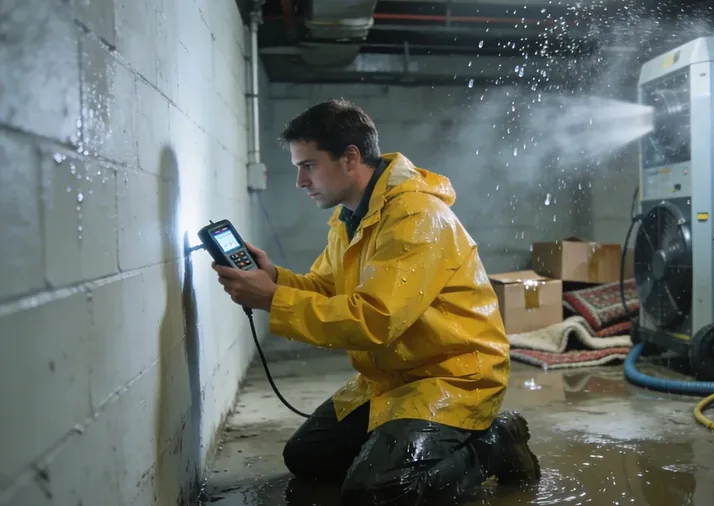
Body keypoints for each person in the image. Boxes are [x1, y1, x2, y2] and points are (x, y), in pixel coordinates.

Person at [212, 99, 540, 506]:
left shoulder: (416, 217)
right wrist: (275, 278)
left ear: (350, 157)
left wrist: (273, 300)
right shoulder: (352, 216)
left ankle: (493, 443)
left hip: (451, 375)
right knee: (307, 458)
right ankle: (399, 441)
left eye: (308, 165)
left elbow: (375, 319)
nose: (300, 180)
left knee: (379, 494)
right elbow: (329, 288)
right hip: (393, 377)